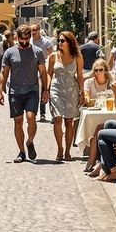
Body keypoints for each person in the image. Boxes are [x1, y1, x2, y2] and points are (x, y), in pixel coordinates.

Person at [0, 24, 50, 163]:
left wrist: (45, 90)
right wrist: (0, 91)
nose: (24, 42)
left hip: (32, 90)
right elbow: (4, 73)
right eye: (21, 39)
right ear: (17, 38)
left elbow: (43, 72)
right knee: (18, 121)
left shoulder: (37, 52)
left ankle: (30, 142)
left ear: (30, 37)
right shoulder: (9, 53)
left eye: (27, 39)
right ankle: (21, 151)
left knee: (31, 118)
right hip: (15, 91)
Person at [48, 31, 84, 162]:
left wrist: (82, 93)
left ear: (69, 42)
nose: (59, 43)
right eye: (59, 40)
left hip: (71, 90)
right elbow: (49, 73)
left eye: (62, 41)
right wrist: (46, 90)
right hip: (56, 89)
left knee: (69, 121)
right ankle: (59, 149)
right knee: (57, 119)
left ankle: (68, 151)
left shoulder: (78, 57)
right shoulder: (53, 56)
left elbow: (80, 76)